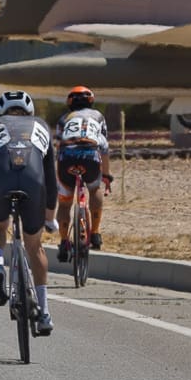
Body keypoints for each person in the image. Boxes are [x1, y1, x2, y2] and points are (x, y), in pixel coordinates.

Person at [0, 90, 58, 334]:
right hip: (34, 182)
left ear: (1, 111)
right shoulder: (41, 126)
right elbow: (51, 179)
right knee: (35, 246)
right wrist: (51, 218)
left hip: (0, 182)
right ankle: (44, 313)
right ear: (29, 111)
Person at [55, 85, 112, 260]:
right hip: (90, 157)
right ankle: (95, 233)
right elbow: (103, 146)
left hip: (67, 159)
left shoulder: (63, 119)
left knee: (65, 204)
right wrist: (106, 175)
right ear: (91, 101)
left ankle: (64, 242)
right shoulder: (98, 117)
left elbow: (58, 145)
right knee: (94, 190)